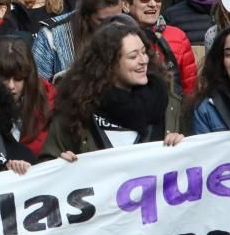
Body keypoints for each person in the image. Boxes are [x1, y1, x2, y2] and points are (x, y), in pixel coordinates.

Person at [41, 22, 181, 160]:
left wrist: (182, 144)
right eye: (133, 56)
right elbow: (46, 167)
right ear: (110, 64)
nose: (143, 60)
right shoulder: (75, 111)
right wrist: (61, 165)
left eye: (144, 52)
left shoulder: (169, 102)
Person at [115, 0, 197, 99]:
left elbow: (190, 91)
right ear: (125, 5)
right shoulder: (114, 40)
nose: (153, 4)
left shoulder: (177, 36)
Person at [31, 0, 123, 80]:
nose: (110, 26)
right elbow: (38, 86)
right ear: (86, 15)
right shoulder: (51, 35)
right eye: (102, 21)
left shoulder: (126, 28)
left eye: (115, 19)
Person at [0, 38, 55, 156]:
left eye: (18, 78)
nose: (11, 86)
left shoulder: (52, 102)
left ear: (28, 76)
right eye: (3, 77)